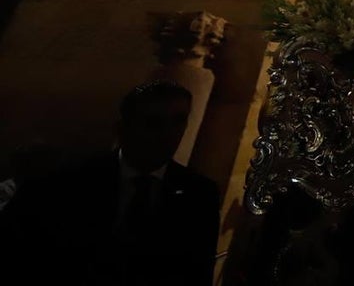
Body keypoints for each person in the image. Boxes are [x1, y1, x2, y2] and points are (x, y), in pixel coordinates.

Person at [0, 80, 221, 285]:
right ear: (123, 128)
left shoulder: (200, 194)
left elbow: (196, 272)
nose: (168, 134)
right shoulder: (61, 182)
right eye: (153, 122)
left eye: (178, 121)